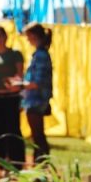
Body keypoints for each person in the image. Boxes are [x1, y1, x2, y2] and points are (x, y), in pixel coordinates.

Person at [0, 25, 25, 170]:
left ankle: (16, 162)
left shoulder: (15, 54)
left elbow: (20, 75)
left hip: (11, 97)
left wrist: (15, 85)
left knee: (12, 129)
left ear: (5, 36)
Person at [22, 22, 54, 165]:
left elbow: (38, 81)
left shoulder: (40, 55)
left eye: (28, 36)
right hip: (34, 99)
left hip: (36, 99)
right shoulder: (39, 54)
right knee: (38, 135)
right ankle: (40, 164)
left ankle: (41, 164)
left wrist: (21, 84)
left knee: (38, 135)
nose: (27, 39)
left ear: (34, 36)